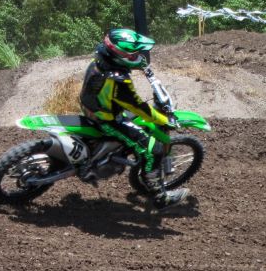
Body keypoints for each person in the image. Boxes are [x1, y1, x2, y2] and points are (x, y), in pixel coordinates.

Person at [78, 28, 189, 211]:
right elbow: (139, 107)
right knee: (153, 149)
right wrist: (164, 120)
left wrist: (143, 67)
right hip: (106, 118)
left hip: (91, 105)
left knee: (135, 126)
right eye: (132, 54)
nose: (136, 56)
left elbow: (138, 64)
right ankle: (160, 197)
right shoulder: (119, 81)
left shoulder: (101, 57)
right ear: (119, 55)